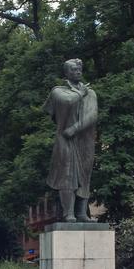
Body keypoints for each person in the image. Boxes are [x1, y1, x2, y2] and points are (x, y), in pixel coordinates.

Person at [43, 58, 98, 222]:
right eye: (74, 70)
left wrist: (75, 128)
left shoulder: (91, 93)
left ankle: (81, 213)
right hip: (65, 140)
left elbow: (93, 115)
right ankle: (69, 213)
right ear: (66, 73)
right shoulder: (58, 91)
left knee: (85, 177)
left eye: (79, 69)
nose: (78, 72)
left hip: (85, 140)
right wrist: (80, 94)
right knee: (66, 175)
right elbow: (66, 102)